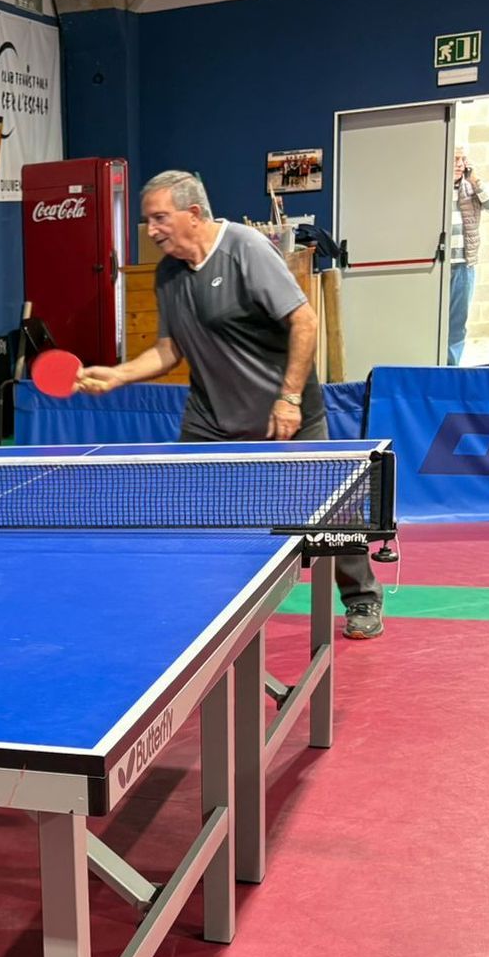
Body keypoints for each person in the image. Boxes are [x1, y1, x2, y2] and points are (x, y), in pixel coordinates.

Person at [76, 171, 384, 640]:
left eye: (160, 218)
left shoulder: (245, 249)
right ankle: (205, 606)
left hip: (284, 413)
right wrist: (118, 374)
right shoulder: (168, 273)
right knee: (189, 510)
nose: (152, 229)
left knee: (332, 512)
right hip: (211, 419)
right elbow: (169, 349)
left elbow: (304, 321)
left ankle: (361, 599)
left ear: (193, 214)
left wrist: (289, 397)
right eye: (147, 220)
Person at [446, 147, 489, 365]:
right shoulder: (435, 187)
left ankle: (451, 366)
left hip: (463, 265)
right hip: (439, 266)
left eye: (462, 160)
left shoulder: (470, 188)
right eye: (455, 159)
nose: (459, 164)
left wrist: (475, 180)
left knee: (457, 321)